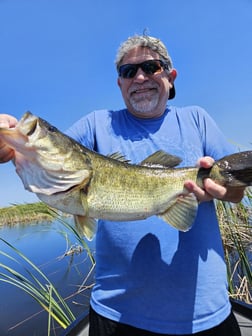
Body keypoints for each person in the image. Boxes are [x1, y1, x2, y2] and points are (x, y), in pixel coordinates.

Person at [0, 34, 245, 336]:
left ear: (170, 75)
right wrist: (8, 145)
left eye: (151, 67)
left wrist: (227, 190)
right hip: (116, 315)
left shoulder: (197, 119)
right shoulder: (96, 124)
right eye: (129, 72)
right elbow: (53, 156)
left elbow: (234, 190)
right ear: (120, 83)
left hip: (207, 314)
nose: (140, 77)